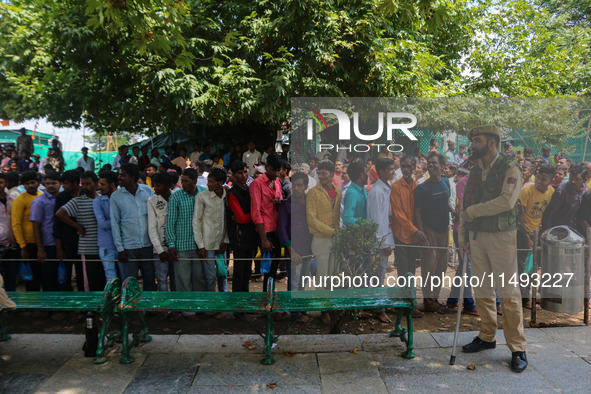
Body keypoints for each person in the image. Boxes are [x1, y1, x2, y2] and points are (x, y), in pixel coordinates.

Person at [459, 125, 527, 373]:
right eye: (472, 141)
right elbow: (464, 204)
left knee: (508, 292)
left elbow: (506, 202)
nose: (472, 145)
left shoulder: (510, 168)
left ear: (492, 142)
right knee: (482, 290)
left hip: (501, 238)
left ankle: (518, 347)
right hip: (476, 238)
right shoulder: (475, 170)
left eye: (477, 140)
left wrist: (473, 212)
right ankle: (487, 335)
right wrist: (462, 236)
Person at [56, 171, 106, 291]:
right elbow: (60, 214)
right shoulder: (77, 201)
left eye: (88, 183)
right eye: (82, 184)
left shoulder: (103, 199)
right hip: (87, 247)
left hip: (104, 246)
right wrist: (77, 226)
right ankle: (90, 308)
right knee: (88, 280)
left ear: (96, 183)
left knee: (103, 278)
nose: (85, 187)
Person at [166, 168, 207, 310]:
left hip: (199, 245)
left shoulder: (204, 193)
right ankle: (187, 311)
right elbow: (170, 222)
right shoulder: (176, 197)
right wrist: (171, 244)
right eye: (182, 181)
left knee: (199, 279)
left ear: (195, 181)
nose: (183, 184)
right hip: (181, 245)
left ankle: (199, 307)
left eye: (186, 181)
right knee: (183, 281)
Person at [110, 163, 156, 290]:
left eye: (123, 175)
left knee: (150, 280)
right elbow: (115, 223)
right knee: (129, 283)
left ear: (133, 177)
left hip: (147, 245)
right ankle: (131, 309)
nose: (119, 177)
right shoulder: (116, 196)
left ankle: (150, 308)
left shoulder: (147, 190)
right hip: (128, 247)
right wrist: (120, 249)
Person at [415, 152, 451, 314]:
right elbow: (417, 212)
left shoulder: (446, 183)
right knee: (429, 267)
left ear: (442, 166)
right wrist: (421, 232)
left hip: (444, 231)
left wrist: (454, 213)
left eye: (434, 163)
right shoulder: (422, 188)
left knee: (441, 266)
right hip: (429, 231)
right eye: (429, 163)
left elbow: (445, 203)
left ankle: (435, 299)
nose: (431, 165)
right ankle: (428, 301)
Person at [306, 159, 341, 324]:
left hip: (334, 239)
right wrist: (331, 232)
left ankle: (330, 306)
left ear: (332, 174)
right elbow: (311, 220)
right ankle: (323, 310)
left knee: (333, 275)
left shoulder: (338, 191)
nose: (321, 176)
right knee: (322, 276)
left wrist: (336, 233)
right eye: (319, 173)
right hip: (320, 239)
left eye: (324, 173)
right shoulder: (313, 193)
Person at [517, 164, 555, 309]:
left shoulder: (551, 192)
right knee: (523, 268)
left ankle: (529, 296)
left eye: (543, 179)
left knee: (533, 267)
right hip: (523, 234)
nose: (539, 181)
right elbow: (519, 216)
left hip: (538, 234)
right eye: (538, 177)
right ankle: (524, 299)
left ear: (550, 181)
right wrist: (526, 236)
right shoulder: (527, 191)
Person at [367, 158, 396, 323]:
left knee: (379, 275)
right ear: (382, 171)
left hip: (385, 237)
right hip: (380, 242)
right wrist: (384, 243)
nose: (393, 172)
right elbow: (377, 220)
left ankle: (379, 304)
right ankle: (379, 309)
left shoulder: (385, 188)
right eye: (390, 169)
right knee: (379, 276)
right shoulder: (377, 191)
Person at [250, 153, 284, 292]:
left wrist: (279, 203)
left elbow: (280, 201)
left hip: (277, 228)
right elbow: (256, 212)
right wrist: (263, 239)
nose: (276, 173)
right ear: (267, 167)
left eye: (278, 171)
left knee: (273, 269)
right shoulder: (256, 184)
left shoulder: (277, 182)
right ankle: (266, 304)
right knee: (267, 270)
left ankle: (270, 301)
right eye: (273, 170)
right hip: (264, 230)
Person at [194, 167, 229, 293]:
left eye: (211, 181)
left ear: (220, 183)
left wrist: (225, 240)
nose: (207, 184)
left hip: (221, 243)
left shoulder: (227, 196)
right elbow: (196, 221)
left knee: (222, 273)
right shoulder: (202, 197)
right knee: (209, 276)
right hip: (207, 243)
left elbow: (227, 221)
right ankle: (211, 304)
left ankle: (222, 300)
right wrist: (200, 245)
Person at [226, 160, 257, 293]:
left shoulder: (249, 189)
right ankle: (238, 306)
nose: (243, 176)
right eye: (239, 173)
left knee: (247, 271)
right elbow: (241, 218)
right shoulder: (233, 193)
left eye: (245, 172)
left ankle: (245, 302)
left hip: (250, 235)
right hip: (239, 237)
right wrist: (256, 214)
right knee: (239, 271)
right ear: (233, 175)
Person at [30, 171, 61, 292]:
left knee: (62, 277)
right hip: (48, 244)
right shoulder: (39, 202)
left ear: (60, 184)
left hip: (62, 243)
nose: (51, 186)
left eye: (54, 183)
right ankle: (51, 309)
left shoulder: (63, 198)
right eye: (48, 183)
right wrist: (40, 249)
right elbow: (36, 226)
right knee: (49, 278)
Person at [11, 171, 42, 291]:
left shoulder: (42, 196)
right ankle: (33, 306)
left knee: (40, 276)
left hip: (42, 243)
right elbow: (16, 224)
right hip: (27, 244)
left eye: (33, 182)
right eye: (27, 183)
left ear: (38, 183)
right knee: (31, 277)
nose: (30, 186)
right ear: (23, 185)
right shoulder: (20, 200)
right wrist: (22, 246)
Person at [53, 170, 81, 291]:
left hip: (84, 240)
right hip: (67, 240)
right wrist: (59, 248)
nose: (63, 186)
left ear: (75, 183)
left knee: (82, 273)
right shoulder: (61, 197)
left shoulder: (85, 194)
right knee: (66, 273)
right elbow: (57, 222)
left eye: (66, 183)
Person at [147, 172, 174, 292]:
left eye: (158, 185)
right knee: (162, 279)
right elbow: (152, 228)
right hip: (160, 248)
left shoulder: (176, 197)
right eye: (154, 185)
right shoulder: (152, 201)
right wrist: (160, 250)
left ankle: (176, 306)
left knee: (176, 278)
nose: (155, 188)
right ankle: (165, 309)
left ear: (168, 185)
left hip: (176, 248)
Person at [541, 164, 588, 232]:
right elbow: (548, 215)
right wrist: (548, 233)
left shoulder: (583, 189)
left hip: (573, 230)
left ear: (584, 180)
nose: (573, 181)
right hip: (558, 230)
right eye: (571, 177)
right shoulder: (561, 192)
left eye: (577, 179)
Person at [93, 170, 120, 282]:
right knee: (111, 277)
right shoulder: (98, 201)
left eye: (103, 184)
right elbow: (103, 224)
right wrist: (119, 221)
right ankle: (113, 299)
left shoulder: (122, 198)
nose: (99, 187)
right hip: (106, 245)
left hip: (123, 244)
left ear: (112, 184)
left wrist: (111, 220)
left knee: (125, 275)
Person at [0, 173, 18, 291]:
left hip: (12, 245)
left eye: (1, 182)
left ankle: (12, 305)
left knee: (11, 276)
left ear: (6, 184)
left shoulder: (13, 200)